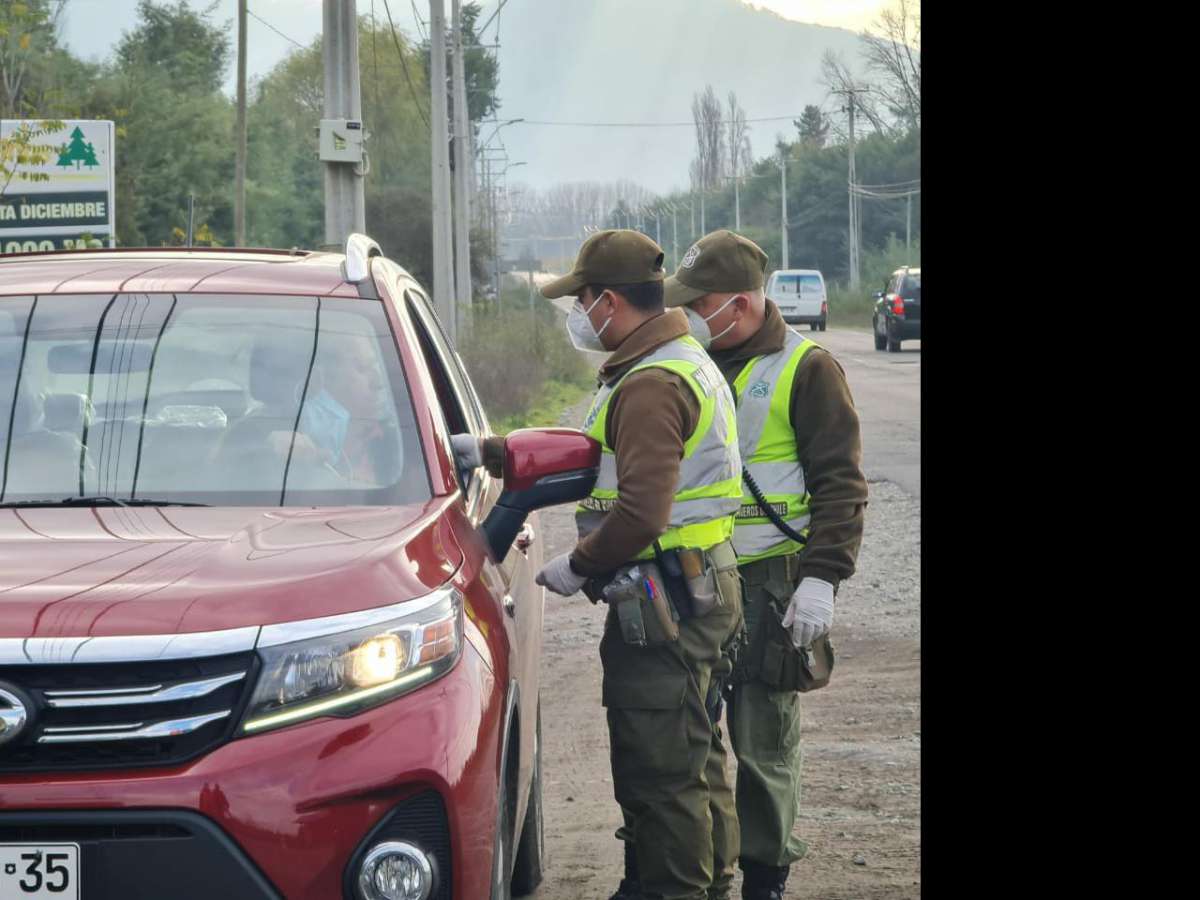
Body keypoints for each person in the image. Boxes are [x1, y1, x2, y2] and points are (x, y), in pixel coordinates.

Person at [485, 228, 746, 900]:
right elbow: (589, 459)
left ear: (607, 300)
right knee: (695, 758)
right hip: (698, 584)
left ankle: (674, 890)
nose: (579, 314)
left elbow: (641, 511)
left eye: (582, 300)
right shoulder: (676, 360)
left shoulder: (654, 382)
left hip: (669, 598)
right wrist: (498, 452)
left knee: (662, 772)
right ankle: (709, 885)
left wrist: (576, 564)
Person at [662, 230, 868, 900]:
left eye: (700, 303)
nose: (687, 314)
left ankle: (764, 879)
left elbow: (840, 483)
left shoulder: (807, 370)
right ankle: (689, 871)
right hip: (689, 578)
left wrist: (821, 578)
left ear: (742, 305)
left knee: (763, 743)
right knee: (678, 736)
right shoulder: (687, 363)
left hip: (769, 583)